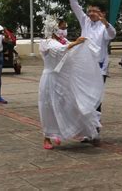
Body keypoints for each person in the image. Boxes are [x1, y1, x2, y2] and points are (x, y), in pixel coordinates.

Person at [38, 15, 104, 150]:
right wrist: (76, 43)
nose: (64, 31)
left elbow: (71, 51)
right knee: (48, 107)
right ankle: (47, 137)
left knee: (70, 104)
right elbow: (60, 50)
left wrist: (81, 46)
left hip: (64, 78)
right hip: (50, 78)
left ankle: (72, 131)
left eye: (65, 28)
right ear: (54, 29)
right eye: (62, 28)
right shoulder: (47, 43)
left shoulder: (64, 41)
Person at [67, 0, 116, 114]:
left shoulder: (104, 28)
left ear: (102, 13)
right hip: (85, 67)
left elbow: (112, 35)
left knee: (96, 98)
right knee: (84, 96)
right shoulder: (85, 22)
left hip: (100, 68)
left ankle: (95, 126)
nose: (91, 13)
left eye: (95, 11)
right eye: (90, 10)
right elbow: (74, 4)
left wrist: (105, 23)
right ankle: (86, 126)